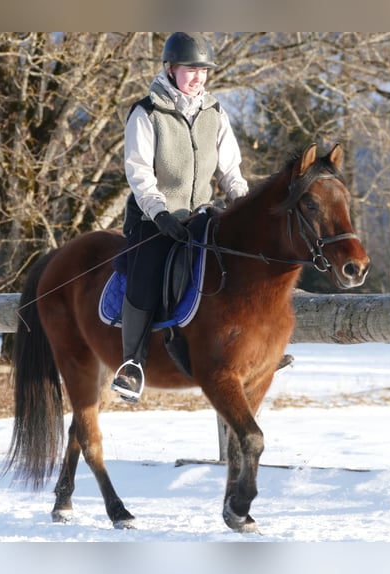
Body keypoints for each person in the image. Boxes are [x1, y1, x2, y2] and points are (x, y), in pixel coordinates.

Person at [110, 32, 250, 403]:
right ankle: (132, 365)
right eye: (191, 69)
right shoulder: (147, 112)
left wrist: (245, 207)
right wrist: (159, 214)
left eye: (203, 70)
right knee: (147, 271)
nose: (198, 77)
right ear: (170, 70)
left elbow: (230, 171)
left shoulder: (215, 113)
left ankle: (253, 348)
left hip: (202, 215)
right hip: (154, 218)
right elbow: (139, 172)